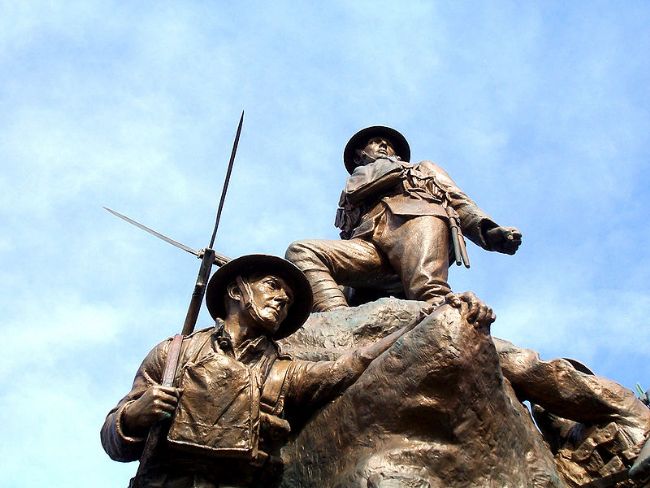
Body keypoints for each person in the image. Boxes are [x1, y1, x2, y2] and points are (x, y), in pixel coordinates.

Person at [101, 254, 432, 488]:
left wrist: (414, 326)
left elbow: (346, 367)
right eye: (272, 286)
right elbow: (114, 442)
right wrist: (133, 417)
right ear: (236, 291)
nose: (281, 299)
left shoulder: (284, 373)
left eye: (287, 299)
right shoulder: (173, 353)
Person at [286, 126, 522, 312]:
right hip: (369, 243)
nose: (383, 144)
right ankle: (338, 322)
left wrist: (488, 231)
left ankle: (453, 333)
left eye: (387, 144)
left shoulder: (421, 168)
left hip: (416, 221)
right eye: (374, 141)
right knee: (302, 251)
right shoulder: (351, 191)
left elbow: (456, 199)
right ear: (360, 155)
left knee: (430, 294)